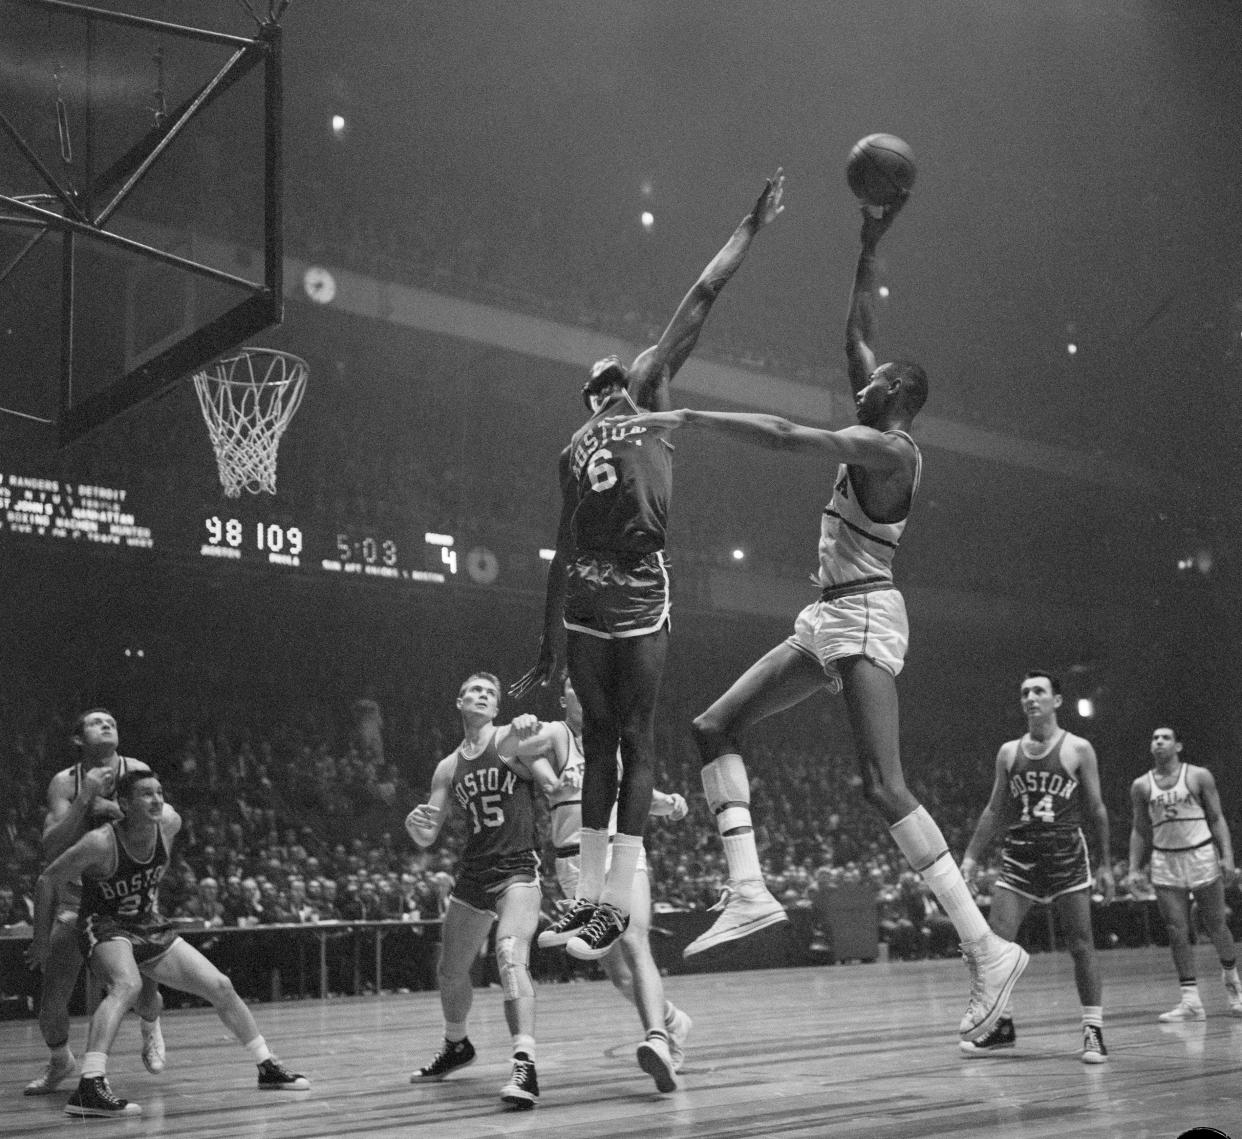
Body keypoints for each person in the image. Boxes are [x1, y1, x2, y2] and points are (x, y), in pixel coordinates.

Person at [616, 197, 1027, 1044]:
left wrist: (689, 415)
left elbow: (778, 434)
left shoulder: (890, 449)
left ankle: (986, 947)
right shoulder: (879, 406)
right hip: (826, 616)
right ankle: (749, 889)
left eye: (873, 383)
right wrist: (869, 241)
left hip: (868, 615)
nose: (858, 380)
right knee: (713, 725)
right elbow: (858, 332)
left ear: (896, 398)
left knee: (882, 784)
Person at [510, 171, 786, 961]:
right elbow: (700, 295)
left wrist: (547, 644)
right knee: (636, 736)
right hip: (633, 581)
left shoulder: (571, 446)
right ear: (619, 385)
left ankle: (589, 899)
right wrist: (750, 224)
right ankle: (614, 905)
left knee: (600, 740)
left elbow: (560, 550)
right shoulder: (650, 391)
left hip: (586, 593)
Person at [30, 770, 309, 1118]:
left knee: (221, 986)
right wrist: (40, 940)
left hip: (148, 922)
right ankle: (89, 1084)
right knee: (126, 986)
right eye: (146, 794)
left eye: (160, 792)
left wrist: (120, 800)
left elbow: (167, 809)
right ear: (125, 804)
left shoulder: (169, 825)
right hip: (103, 924)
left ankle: (267, 1065)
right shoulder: (100, 842)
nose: (157, 800)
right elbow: (47, 879)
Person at [498, 674, 693, 1092]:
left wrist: (670, 804)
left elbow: (641, 794)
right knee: (619, 974)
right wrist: (518, 732)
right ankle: (673, 1021)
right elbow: (508, 752)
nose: (585, 690)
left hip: (620, 851)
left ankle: (657, 1039)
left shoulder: (618, 742)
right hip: (575, 867)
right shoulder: (555, 733)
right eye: (574, 686)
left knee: (635, 938)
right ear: (565, 697)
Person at [406, 672, 558, 1111]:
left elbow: (538, 737)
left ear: (496, 709)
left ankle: (525, 1062)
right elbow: (427, 834)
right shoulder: (448, 767)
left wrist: (530, 723)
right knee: (450, 971)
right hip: (473, 871)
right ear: (460, 702)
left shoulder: (509, 739)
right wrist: (415, 828)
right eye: (475, 690)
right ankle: (457, 1045)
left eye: (490, 694)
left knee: (510, 954)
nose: (482, 696)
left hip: (517, 868)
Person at [959, 670, 1115, 1063]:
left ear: (1056, 701)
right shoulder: (1009, 752)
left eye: (1039, 692)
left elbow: (1096, 809)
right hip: (1020, 853)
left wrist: (1108, 864)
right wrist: (971, 857)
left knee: (1080, 944)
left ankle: (1093, 1030)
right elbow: (995, 809)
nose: (1031, 698)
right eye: (1025, 692)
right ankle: (1002, 1026)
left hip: (1065, 851)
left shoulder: (1079, 748)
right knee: (994, 946)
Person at [24, 708, 167, 1096]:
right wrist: (86, 799)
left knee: (146, 992)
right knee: (52, 1000)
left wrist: (112, 809)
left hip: (126, 902)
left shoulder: (136, 768)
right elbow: (51, 846)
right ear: (77, 739)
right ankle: (60, 1062)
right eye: (96, 722)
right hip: (76, 902)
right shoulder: (64, 782)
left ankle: (151, 1027)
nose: (107, 725)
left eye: (113, 723)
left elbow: (160, 820)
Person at [1126, 725, 1242, 1021]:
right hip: (1165, 860)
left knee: (1216, 925)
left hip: (1201, 853)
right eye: (1154, 738)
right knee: (1176, 930)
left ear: (1178, 746)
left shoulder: (1198, 775)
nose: (1158, 742)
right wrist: (1133, 868)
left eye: (1165, 738)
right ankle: (1191, 1001)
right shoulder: (1141, 785)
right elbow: (1140, 829)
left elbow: (1216, 818)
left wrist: (1227, 856)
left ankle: (1233, 983)